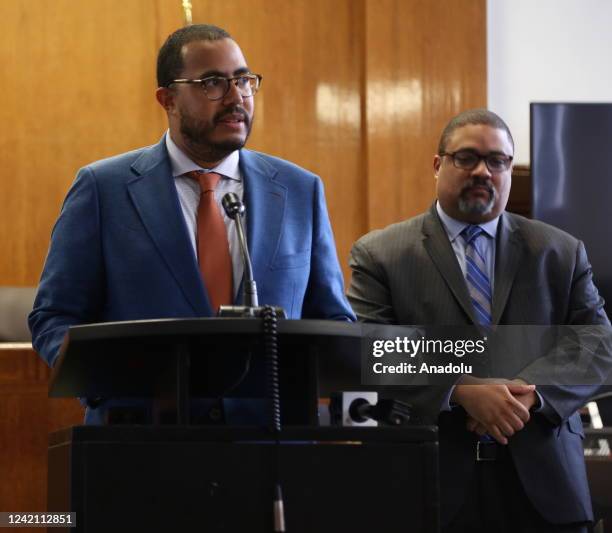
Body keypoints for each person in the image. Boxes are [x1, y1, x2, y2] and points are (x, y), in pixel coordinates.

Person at [29, 24, 354, 423]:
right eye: (212, 83)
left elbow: (333, 319)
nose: (236, 98)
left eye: (244, 81)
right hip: (141, 443)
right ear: (167, 99)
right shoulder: (103, 189)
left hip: (271, 447)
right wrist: (110, 388)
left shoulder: (300, 190)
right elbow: (54, 317)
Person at [347, 108, 611, 532]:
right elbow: (370, 346)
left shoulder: (560, 252)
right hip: (429, 484)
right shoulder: (381, 253)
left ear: (509, 167)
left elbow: (598, 346)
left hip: (545, 488)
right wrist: (462, 390)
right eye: (466, 158)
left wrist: (530, 397)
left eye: (497, 160)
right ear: (438, 165)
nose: (483, 171)